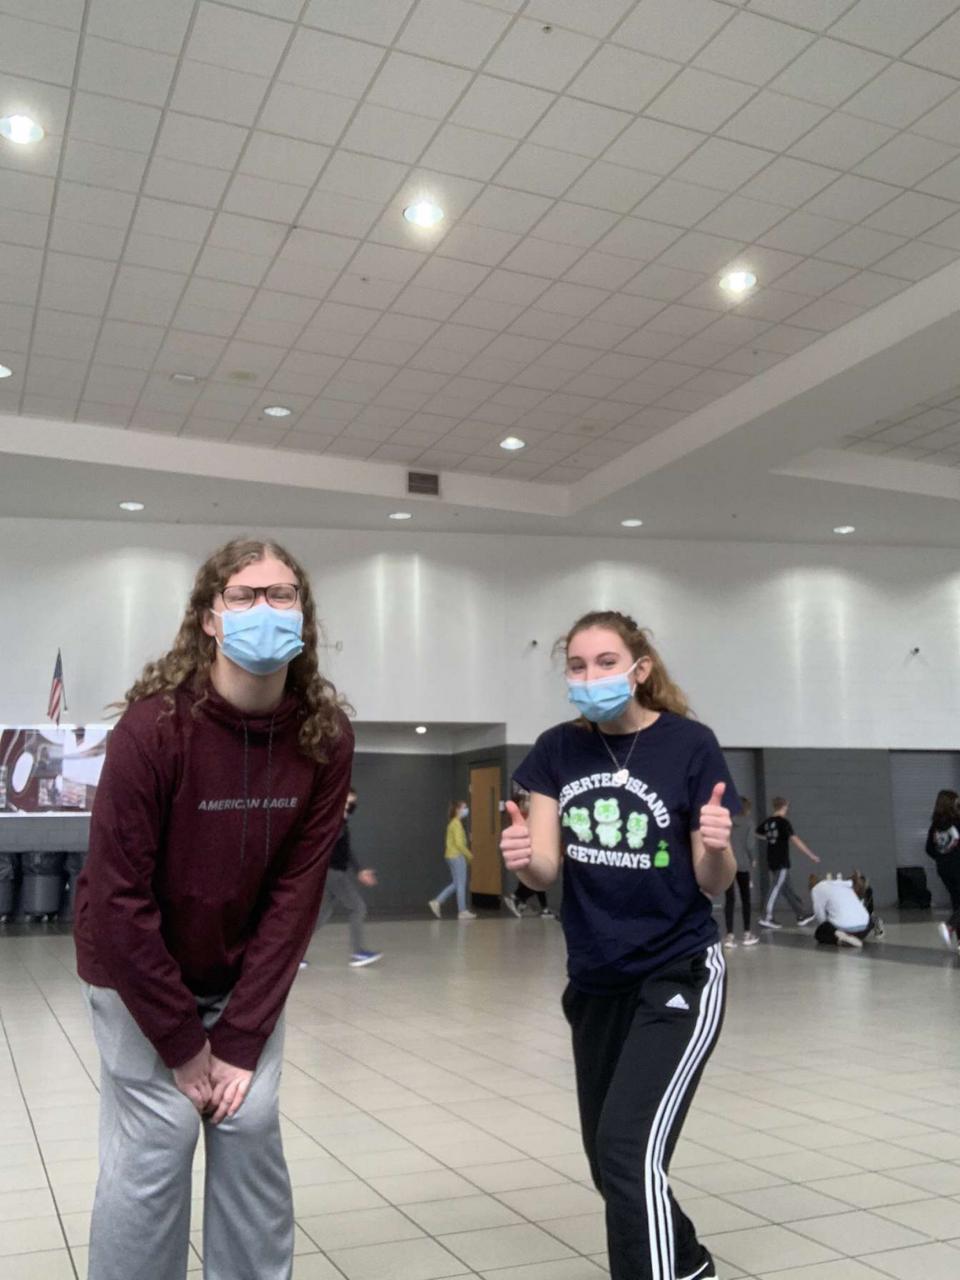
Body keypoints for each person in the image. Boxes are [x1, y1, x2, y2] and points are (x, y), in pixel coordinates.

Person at [74, 538, 353, 1280]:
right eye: (243, 595)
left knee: (248, 1119)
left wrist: (240, 1035)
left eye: (282, 594)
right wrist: (182, 1043)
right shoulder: (153, 729)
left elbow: (296, 896)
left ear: (304, 616)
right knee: (160, 1135)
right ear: (209, 618)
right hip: (131, 963)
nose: (265, 608)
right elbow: (119, 897)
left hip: (240, 963)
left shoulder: (324, 738)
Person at [501, 609, 737, 1280]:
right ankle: (688, 1263)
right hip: (596, 981)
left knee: (628, 1151)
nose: (590, 677)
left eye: (606, 663)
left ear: (639, 669)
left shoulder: (689, 745)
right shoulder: (556, 750)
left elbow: (712, 881)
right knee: (610, 1162)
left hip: (677, 971)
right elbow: (545, 870)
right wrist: (522, 858)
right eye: (577, 666)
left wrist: (717, 845)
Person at [315, 787, 382, 968]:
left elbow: (346, 851)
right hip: (332, 874)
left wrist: (359, 870)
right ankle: (358, 952)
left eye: (353, 802)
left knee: (321, 916)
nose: (351, 805)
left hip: (332, 873)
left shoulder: (341, 822)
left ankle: (290, 953)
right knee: (358, 907)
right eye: (348, 801)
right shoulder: (333, 822)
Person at [756, 797, 820, 929]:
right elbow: (796, 841)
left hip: (772, 859)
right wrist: (811, 855)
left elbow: (757, 833)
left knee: (787, 889)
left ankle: (801, 914)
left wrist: (769, 837)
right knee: (776, 887)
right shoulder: (783, 822)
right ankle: (766, 917)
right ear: (784, 806)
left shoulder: (768, 822)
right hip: (781, 861)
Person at [503, 791, 556, 918]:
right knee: (535, 881)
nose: (528, 802)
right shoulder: (522, 815)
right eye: (526, 800)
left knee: (536, 880)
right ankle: (519, 898)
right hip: (530, 849)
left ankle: (523, 901)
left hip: (535, 851)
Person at [428, 800, 476, 919]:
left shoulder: (452, 823)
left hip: (450, 856)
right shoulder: (457, 824)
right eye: (464, 807)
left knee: (456, 883)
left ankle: (437, 901)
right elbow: (459, 844)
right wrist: (469, 855)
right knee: (461, 884)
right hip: (457, 856)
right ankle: (462, 911)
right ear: (457, 810)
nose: (466, 810)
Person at [925, 789, 960, 953]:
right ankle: (950, 926)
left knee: (957, 903)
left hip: (944, 869)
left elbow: (929, 848)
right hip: (957, 866)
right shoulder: (957, 822)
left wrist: (942, 858)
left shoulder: (935, 825)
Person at [724, 797, 758, 947]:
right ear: (747, 809)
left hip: (728, 864)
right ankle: (747, 934)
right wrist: (753, 858)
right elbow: (750, 845)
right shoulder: (749, 823)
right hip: (743, 864)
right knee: (746, 899)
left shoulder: (727, 823)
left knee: (729, 899)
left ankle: (729, 936)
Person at [810, 873, 874, 949]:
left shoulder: (816, 889)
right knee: (867, 918)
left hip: (847, 930)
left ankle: (842, 938)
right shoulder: (844, 885)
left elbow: (820, 915)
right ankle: (852, 937)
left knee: (820, 932)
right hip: (864, 930)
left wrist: (828, 928)